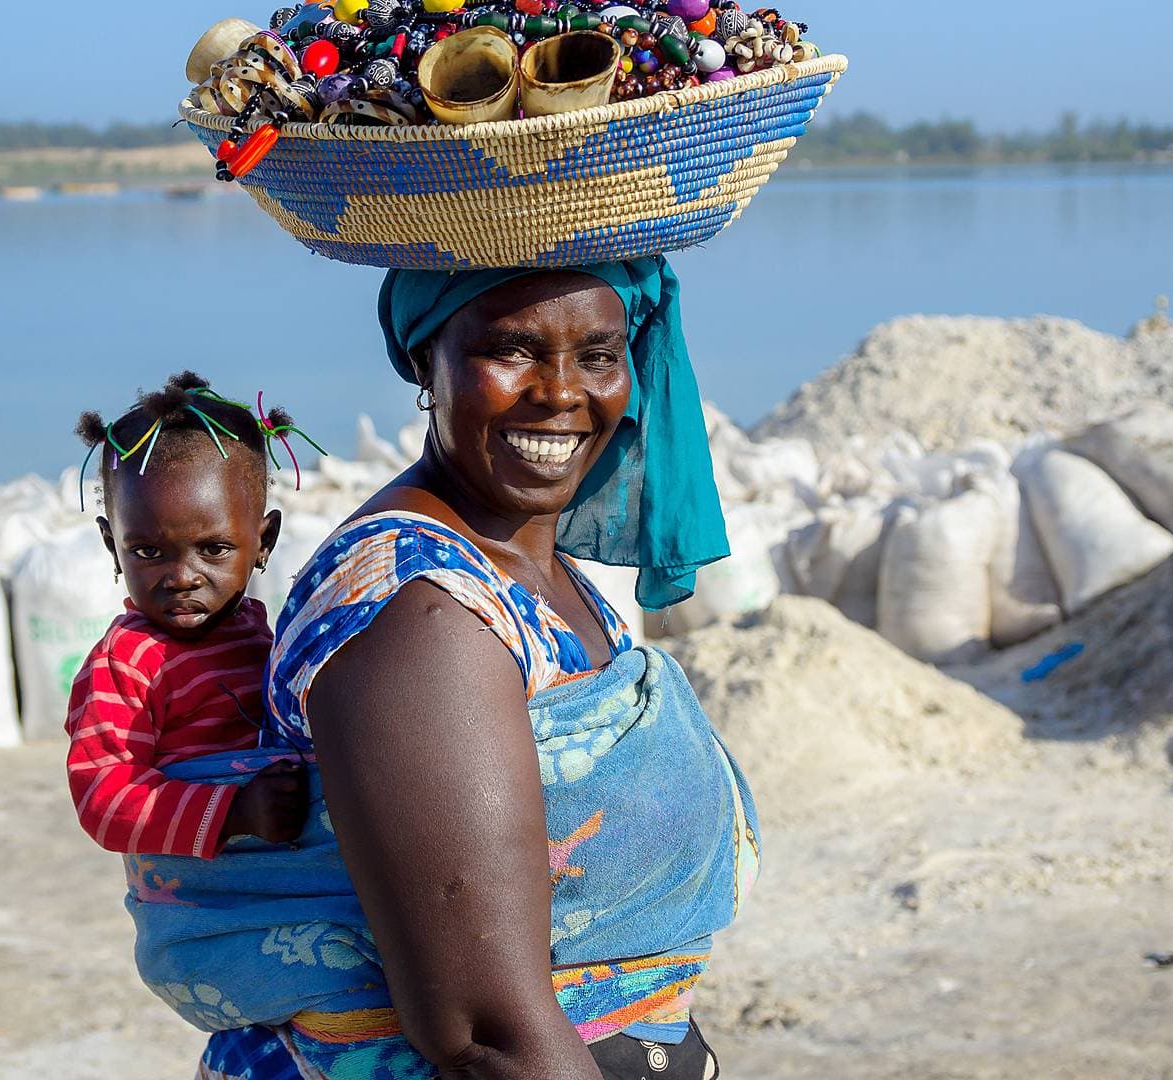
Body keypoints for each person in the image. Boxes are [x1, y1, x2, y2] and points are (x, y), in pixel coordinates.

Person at [134, 258, 754, 1080]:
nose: (562, 393)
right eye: (513, 351)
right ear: (425, 363)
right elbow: (488, 1035)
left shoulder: (532, 567)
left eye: (599, 356)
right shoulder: (418, 611)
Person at [63, 372, 307, 860]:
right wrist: (236, 811)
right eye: (149, 551)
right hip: (199, 906)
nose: (181, 577)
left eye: (213, 549)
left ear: (264, 543)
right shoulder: (128, 663)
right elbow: (102, 799)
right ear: (114, 547)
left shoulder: (260, 636)